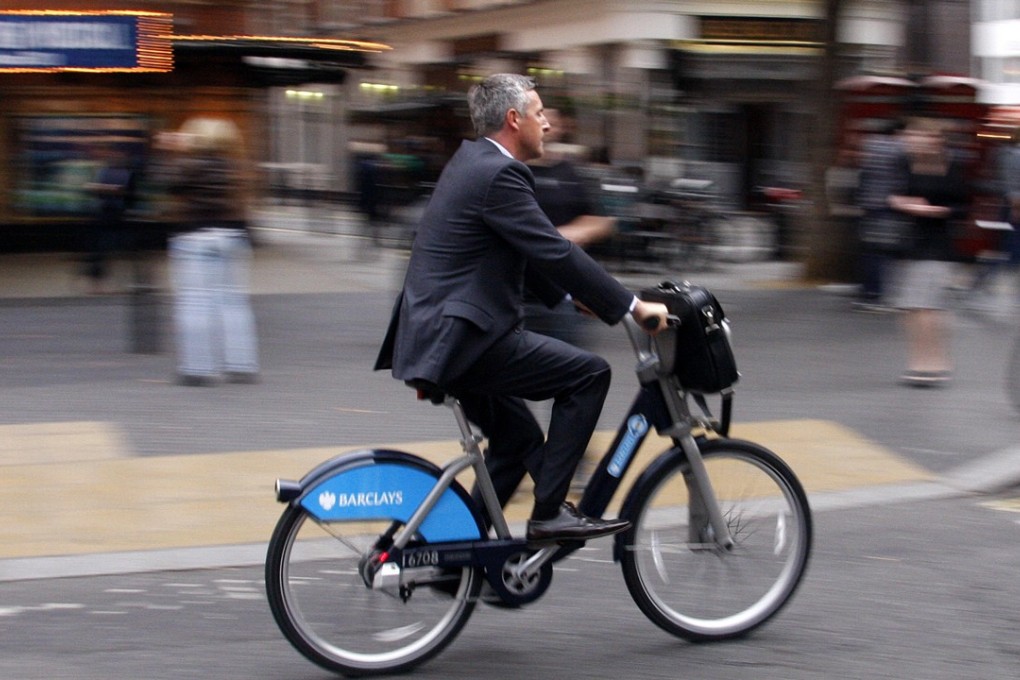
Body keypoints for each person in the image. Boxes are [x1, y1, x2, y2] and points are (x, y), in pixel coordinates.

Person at [374, 73, 668, 542]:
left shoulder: (472, 160)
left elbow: (516, 252)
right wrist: (632, 306)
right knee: (589, 376)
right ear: (514, 120)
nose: (547, 124)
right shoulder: (501, 173)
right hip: (465, 339)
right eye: (538, 114)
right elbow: (554, 249)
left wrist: (573, 298)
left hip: (443, 337)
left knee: (515, 442)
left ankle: (455, 564)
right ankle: (549, 513)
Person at [162, 120, 260, 386]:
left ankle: (198, 367)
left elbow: (168, 185)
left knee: (195, 302)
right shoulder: (237, 167)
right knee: (233, 302)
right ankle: (241, 364)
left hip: (196, 237)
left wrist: (172, 152)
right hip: (233, 237)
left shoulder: (187, 165)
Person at [888, 117, 972, 387]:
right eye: (910, 137)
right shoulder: (903, 164)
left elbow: (963, 208)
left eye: (918, 137)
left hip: (939, 243)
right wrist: (902, 203)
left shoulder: (952, 167)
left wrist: (936, 211)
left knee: (929, 306)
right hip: (909, 242)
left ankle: (936, 364)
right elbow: (891, 197)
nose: (912, 141)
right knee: (911, 308)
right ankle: (917, 362)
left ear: (936, 140)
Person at [854, 119, 908, 311]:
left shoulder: (868, 145)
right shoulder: (899, 148)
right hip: (890, 206)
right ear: (897, 132)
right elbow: (904, 179)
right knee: (887, 250)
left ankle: (868, 290)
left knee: (870, 250)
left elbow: (861, 175)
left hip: (869, 206)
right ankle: (882, 293)